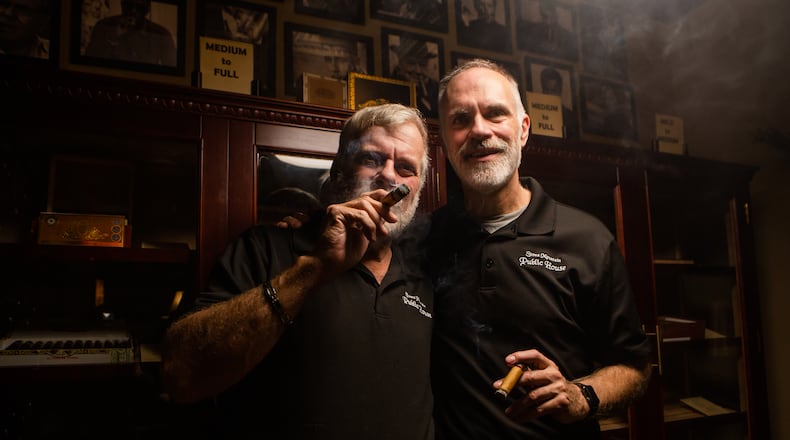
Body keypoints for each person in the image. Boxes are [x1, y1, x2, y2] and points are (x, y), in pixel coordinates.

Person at [161, 103, 434, 440]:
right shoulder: (264, 248)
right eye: (371, 159)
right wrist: (314, 268)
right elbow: (181, 374)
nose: (390, 177)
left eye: (406, 167)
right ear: (338, 172)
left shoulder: (427, 273)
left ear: (417, 190)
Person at [427, 58, 651, 438]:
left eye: (496, 114)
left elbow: (634, 368)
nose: (479, 130)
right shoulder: (425, 238)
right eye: (461, 120)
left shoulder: (587, 238)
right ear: (446, 141)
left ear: (523, 130)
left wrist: (582, 395)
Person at [85, 0, 176, 66]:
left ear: (147, 9)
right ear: (122, 4)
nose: (133, 11)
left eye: (139, 7)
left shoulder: (161, 34)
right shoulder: (104, 26)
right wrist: (114, 37)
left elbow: (171, 69)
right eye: (129, 5)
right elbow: (89, 61)